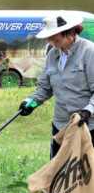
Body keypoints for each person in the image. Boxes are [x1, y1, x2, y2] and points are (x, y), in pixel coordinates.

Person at [19, 12, 94, 159]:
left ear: (70, 33)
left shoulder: (89, 52)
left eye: (54, 36)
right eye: (49, 36)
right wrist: (31, 102)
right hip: (61, 126)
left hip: (87, 126)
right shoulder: (52, 54)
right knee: (57, 174)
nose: (50, 40)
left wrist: (88, 111)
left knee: (86, 176)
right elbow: (45, 88)